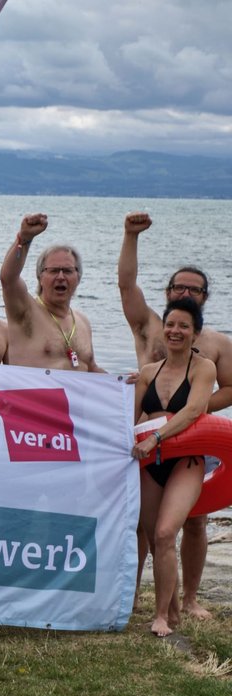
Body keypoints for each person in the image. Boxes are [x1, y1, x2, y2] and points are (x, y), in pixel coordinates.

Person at [118, 211, 232, 619]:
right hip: (147, 449)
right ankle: (130, 598)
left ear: (205, 296)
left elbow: (230, 389)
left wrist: (189, 415)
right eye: (179, 286)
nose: (186, 291)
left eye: (194, 288)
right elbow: (127, 285)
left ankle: (188, 600)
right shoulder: (152, 328)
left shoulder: (215, 343)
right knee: (142, 530)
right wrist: (131, 236)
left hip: (190, 444)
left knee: (195, 524)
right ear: (167, 291)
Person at [131, 298, 216, 637]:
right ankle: (175, 613)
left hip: (187, 461)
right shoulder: (148, 372)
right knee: (155, 539)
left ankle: (161, 616)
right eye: (170, 324)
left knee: (167, 533)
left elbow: (194, 411)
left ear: (195, 334)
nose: (175, 331)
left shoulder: (203, 368)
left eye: (183, 326)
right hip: (153, 464)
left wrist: (156, 438)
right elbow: (130, 417)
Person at [0, 214, 103, 372]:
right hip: (33, 395)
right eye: (54, 271)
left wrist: (124, 383)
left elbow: (92, 368)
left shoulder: (83, 322)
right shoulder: (26, 312)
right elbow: (8, 279)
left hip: (75, 396)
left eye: (67, 271)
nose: (60, 277)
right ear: (40, 277)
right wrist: (24, 239)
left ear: (78, 277)